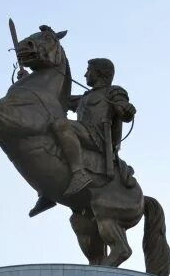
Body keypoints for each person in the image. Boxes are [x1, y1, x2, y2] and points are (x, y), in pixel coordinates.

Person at [29, 58, 136, 217]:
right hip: (83, 133)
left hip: (98, 138)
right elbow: (56, 100)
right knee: (47, 130)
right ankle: (45, 192)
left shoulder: (113, 92)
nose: (85, 74)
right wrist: (29, 80)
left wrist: (126, 109)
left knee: (60, 125)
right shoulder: (84, 97)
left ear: (99, 73)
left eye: (89, 70)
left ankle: (79, 173)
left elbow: (123, 110)